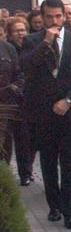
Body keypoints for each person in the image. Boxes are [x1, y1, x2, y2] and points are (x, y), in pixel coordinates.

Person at [21, 0, 71, 229]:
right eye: (50, 16)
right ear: (42, 18)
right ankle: (53, 205)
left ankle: (70, 211)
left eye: (58, 16)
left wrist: (69, 100)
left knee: (70, 163)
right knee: (49, 162)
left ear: (64, 16)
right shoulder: (32, 41)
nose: (55, 20)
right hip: (43, 113)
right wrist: (46, 42)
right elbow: (26, 67)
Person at [4, 16, 33, 185]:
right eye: (17, 30)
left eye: (23, 30)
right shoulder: (7, 49)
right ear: (9, 33)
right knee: (6, 140)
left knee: (25, 139)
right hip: (9, 100)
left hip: (26, 101)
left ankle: (26, 173)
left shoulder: (31, 46)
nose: (20, 33)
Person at [0, 15, 22, 185]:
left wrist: (15, 86)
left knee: (5, 142)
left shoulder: (8, 49)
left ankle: (4, 178)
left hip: (5, 104)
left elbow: (18, 73)